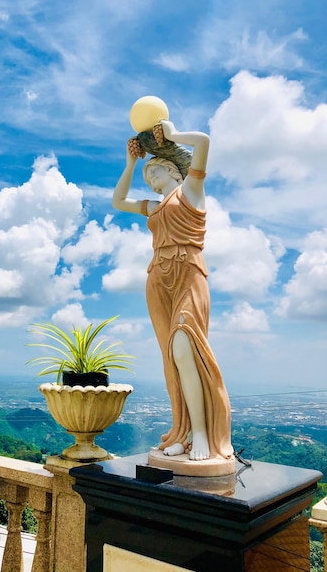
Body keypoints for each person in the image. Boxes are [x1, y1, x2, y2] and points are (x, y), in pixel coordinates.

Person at [112, 120, 233, 462]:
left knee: (184, 348)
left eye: (153, 172)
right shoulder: (153, 207)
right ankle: (182, 432)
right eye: (146, 177)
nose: (148, 180)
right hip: (157, 278)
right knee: (172, 360)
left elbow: (204, 142)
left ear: (171, 169)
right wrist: (132, 162)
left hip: (189, 274)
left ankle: (201, 434)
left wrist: (173, 134)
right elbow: (119, 200)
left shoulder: (191, 190)